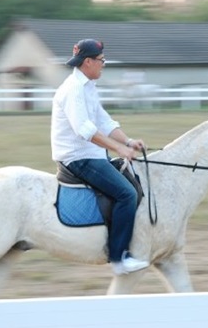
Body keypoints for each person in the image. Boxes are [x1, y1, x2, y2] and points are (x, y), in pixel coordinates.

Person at [51, 39, 150, 275]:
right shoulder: (72, 89)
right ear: (88, 62)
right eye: (101, 60)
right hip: (78, 158)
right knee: (126, 194)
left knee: (133, 183)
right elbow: (84, 130)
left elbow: (103, 121)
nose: (103, 65)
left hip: (91, 154)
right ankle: (119, 258)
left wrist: (127, 141)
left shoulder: (87, 86)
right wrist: (119, 149)